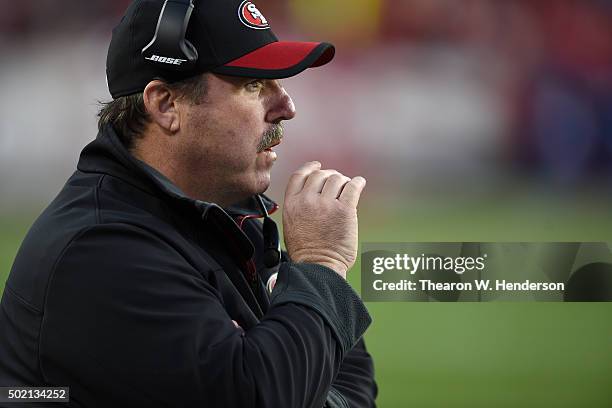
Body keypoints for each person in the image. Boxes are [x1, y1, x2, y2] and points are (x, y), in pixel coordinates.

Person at [0, 0, 376, 407]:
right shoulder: (101, 249)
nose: (287, 106)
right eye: (253, 85)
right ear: (166, 105)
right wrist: (320, 264)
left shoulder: (228, 214)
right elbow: (264, 397)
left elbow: (347, 385)